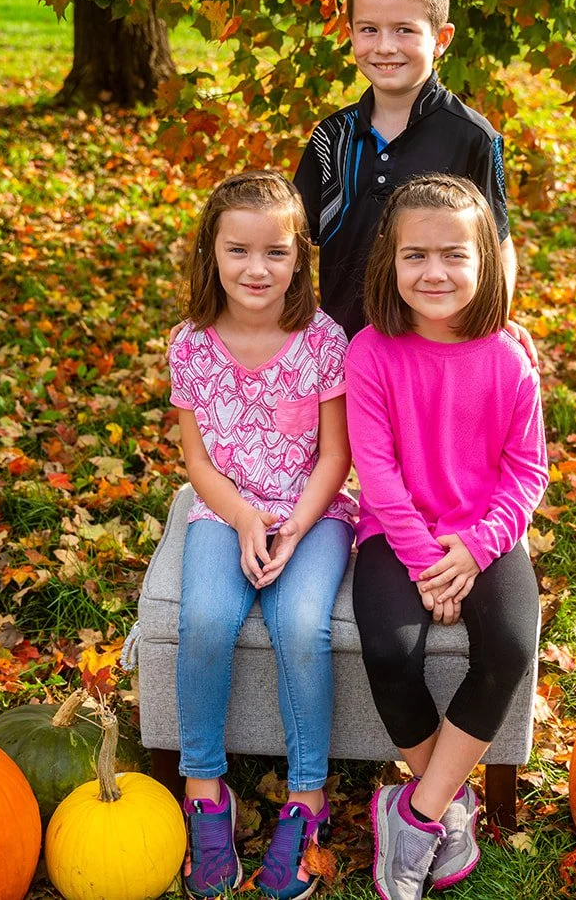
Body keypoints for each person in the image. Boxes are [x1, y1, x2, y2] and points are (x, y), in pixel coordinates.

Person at [344, 175, 548, 900]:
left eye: (455, 255)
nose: (435, 272)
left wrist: (477, 547)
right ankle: (449, 804)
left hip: (487, 536)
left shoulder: (506, 359)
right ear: (389, 264)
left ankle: (417, 811)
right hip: (396, 535)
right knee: (389, 649)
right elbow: (377, 470)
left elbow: (527, 472)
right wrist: (429, 562)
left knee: (512, 647)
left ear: (487, 261)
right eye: (416, 256)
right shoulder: (371, 352)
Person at [167, 170, 357, 900]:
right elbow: (198, 462)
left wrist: (293, 525)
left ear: (299, 257)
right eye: (238, 250)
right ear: (211, 254)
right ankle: (205, 787)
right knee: (208, 617)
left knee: (300, 620)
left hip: (313, 510)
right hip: (227, 509)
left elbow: (336, 457)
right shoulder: (190, 346)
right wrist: (246, 519)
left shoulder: (320, 340)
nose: (256, 268)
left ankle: (307, 798)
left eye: (275, 252)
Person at [293, 0, 536, 364]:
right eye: (369, 30)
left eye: (404, 30)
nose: (385, 47)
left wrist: (495, 319)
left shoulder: (472, 137)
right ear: (350, 33)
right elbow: (288, 242)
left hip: (438, 355)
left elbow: (497, 244)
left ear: (441, 40)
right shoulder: (330, 138)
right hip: (342, 355)